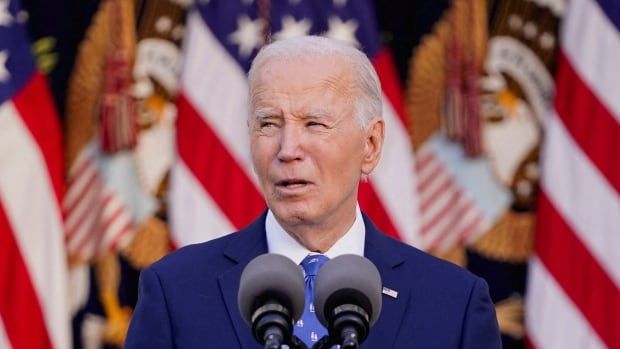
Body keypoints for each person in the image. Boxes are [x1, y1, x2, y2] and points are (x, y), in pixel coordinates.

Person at [125, 36, 501, 348]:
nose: (288, 149)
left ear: (370, 145)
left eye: (315, 124)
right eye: (269, 124)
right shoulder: (175, 293)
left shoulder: (454, 305)